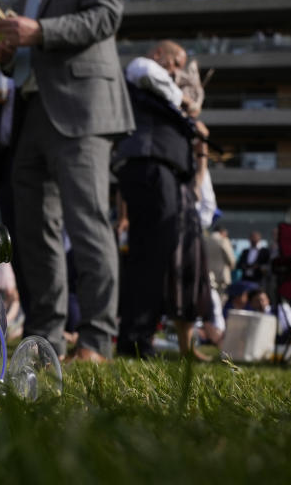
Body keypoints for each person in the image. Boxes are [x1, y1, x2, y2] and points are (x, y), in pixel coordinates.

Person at [0, 0, 134, 362]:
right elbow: (31, 47)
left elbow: (106, 17)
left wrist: (39, 30)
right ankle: (44, 338)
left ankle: (96, 339)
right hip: (29, 115)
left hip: (82, 112)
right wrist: (7, 53)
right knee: (34, 232)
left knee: (89, 223)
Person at [113, 41, 212, 358]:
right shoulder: (145, 69)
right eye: (174, 62)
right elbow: (144, 70)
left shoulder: (163, 91)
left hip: (163, 172)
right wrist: (184, 98)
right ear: (158, 55)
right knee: (149, 254)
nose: (176, 71)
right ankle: (135, 338)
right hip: (150, 167)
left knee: (155, 254)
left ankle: (139, 336)